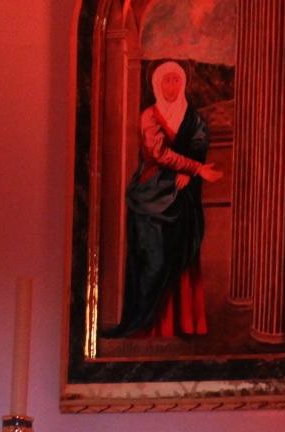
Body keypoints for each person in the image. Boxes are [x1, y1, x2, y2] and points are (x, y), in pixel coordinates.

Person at [103, 60, 223, 340]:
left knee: (181, 257)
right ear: (157, 84)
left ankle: (183, 324)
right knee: (153, 261)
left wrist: (189, 173)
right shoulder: (149, 116)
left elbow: (198, 146)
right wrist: (194, 169)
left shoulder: (194, 119)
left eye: (176, 80)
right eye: (167, 80)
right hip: (152, 196)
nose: (172, 86)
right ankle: (145, 323)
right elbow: (158, 153)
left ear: (183, 83)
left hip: (184, 199)